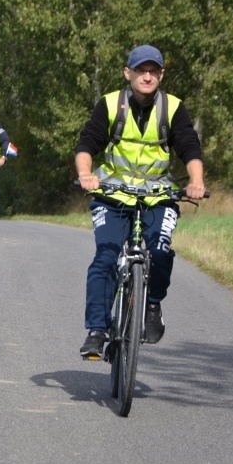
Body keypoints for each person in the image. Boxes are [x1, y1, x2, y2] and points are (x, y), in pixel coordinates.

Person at [75, 44, 207, 359]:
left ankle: (151, 304)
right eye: (140, 70)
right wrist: (85, 174)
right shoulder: (109, 104)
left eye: (153, 71)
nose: (146, 76)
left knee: (160, 251)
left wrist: (197, 182)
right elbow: (87, 143)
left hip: (159, 195)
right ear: (128, 73)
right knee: (105, 258)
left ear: (160, 74)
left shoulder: (173, 108)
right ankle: (96, 330)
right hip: (111, 194)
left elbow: (189, 147)